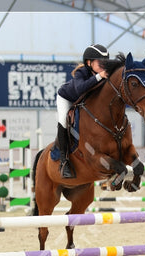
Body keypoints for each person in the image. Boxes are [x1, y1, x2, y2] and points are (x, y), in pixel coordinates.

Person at [56, 44, 110, 178]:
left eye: (106, 62)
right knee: (63, 121)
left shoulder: (105, 73)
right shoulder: (82, 73)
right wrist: (99, 77)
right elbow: (80, 89)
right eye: (100, 62)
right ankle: (64, 161)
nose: (104, 65)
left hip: (83, 102)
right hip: (67, 98)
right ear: (89, 62)